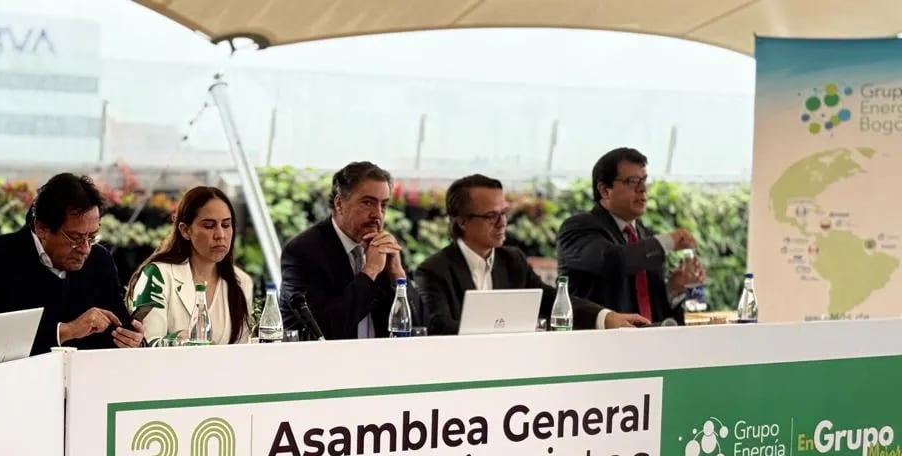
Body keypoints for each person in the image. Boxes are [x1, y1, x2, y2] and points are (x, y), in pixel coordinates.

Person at [415, 174, 649, 334]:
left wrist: (606, 318)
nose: (502, 223)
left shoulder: (512, 260)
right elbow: (440, 328)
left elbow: (549, 300)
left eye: (504, 213)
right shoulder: (434, 270)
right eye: (491, 216)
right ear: (463, 222)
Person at [0, 172, 144, 366]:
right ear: (41, 228)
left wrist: (132, 341)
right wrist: (66, 331)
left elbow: (115, 331)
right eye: (75, 238)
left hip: (82, 383)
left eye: (92, 236)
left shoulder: (100, 260)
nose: (85, 249)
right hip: (6, 384)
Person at [556, 148, 705, 325]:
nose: (643, 189)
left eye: (644, 180)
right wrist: (669, 241)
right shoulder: (578, 228)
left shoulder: (645, 236)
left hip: (647, 345)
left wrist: (673, 289)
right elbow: (613, 261)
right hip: (597, 345)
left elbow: (654, 309)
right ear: (605, 190)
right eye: (633, 181)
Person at [279, 161, 418, 340]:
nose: (378, 214)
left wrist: (398, 276)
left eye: (383, 205)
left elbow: (421, 326)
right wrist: (370, 272)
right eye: (367, 202)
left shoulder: (385, 250)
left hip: (380, 363)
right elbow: (322, 331)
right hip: (323, 364)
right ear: (339, 204)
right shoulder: (303, 252)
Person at [126, 186, 254, 345]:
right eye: (209, 226)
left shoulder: (241, 281)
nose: (220, 235)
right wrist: (178, 341)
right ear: (185, 230)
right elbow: (144, 344)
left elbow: (243, 352)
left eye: (226, 225)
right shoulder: (157, 275)